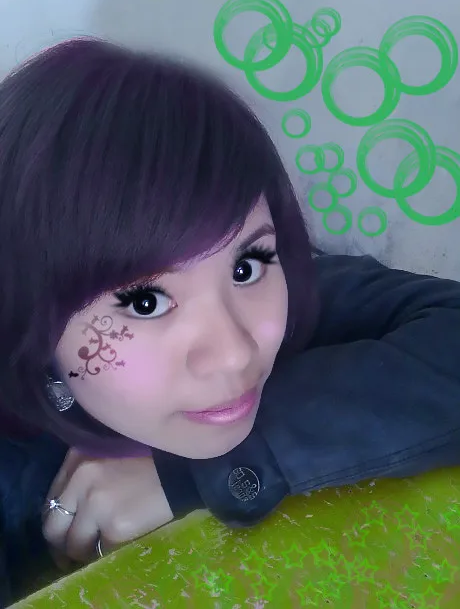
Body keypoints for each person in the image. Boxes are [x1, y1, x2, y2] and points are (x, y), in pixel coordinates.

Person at [1, 37, 460, 604]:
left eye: (246, 265)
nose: (236, 352)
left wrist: (197, 473)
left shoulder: (295, 287)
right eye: (145, 302)